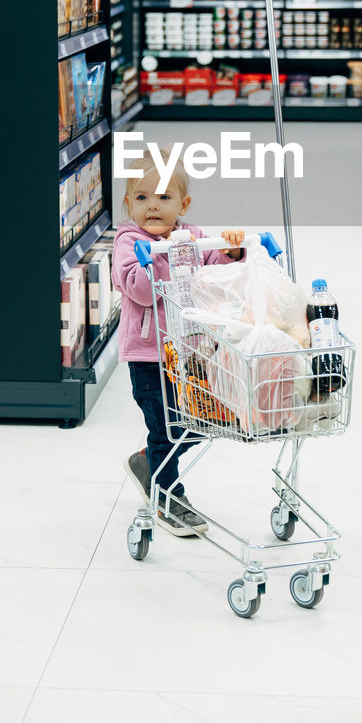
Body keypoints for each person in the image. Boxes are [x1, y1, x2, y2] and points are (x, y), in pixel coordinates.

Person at [112, 148, 244, 537]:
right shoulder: (128, 242)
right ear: (128, 203)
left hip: (190, 354)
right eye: (142, 197)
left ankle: (148, 460)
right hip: (150, 357)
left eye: (164, 198)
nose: (152, 206)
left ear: (183, 204)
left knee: (201, 422)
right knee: (167, 428)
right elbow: (137, 290)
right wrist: (159, 256)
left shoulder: (193, 237)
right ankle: (168, 497)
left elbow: (219, 273)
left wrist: (233, 250)